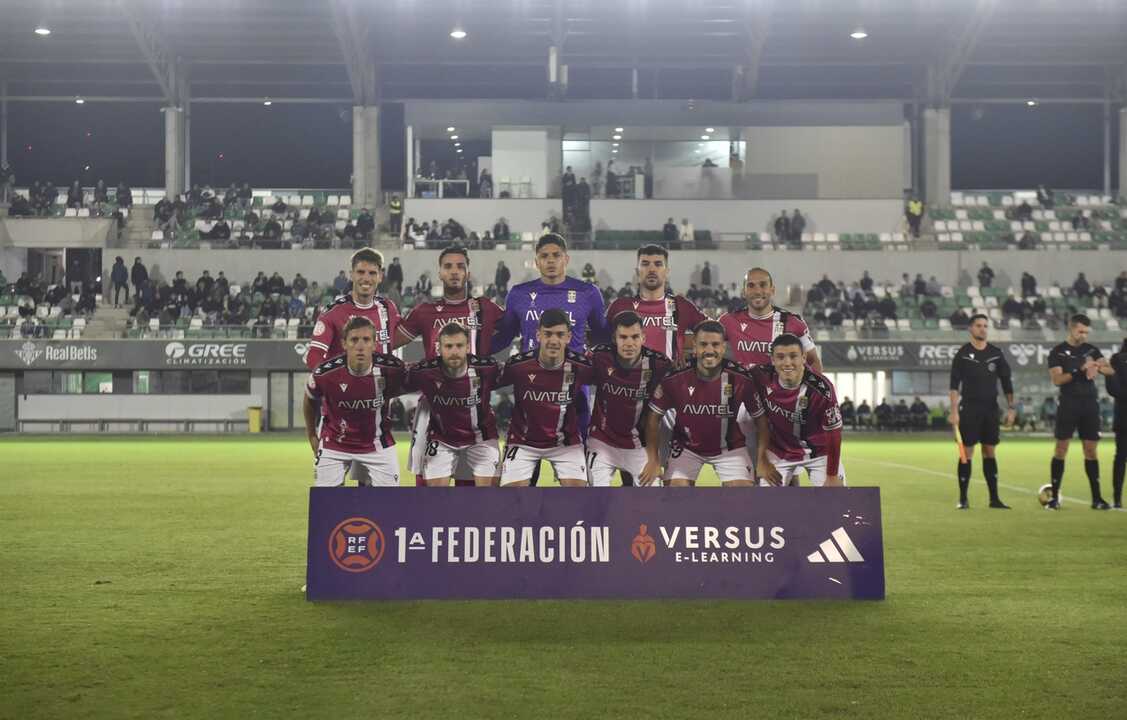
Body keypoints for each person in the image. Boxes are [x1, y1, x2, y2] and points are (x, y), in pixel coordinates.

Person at [393, 247, 505, 486]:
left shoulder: (485, 307)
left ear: (468, 272)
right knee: (427, 486)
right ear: (440, 273)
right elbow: (388, 342)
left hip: (474, 406)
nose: (454, 271)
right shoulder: (425, 311)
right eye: (448, 266)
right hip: (434, 406)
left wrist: (490, 348)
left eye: (460, 266)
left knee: (472, 488)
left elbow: (515, 330)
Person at [643, 321, 767, 487]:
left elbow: (762, 421)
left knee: (742, 496)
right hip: (686, 448)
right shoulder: (674, 378)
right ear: (694, 346)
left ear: (723, 347)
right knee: (675, 493)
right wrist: (653, 460)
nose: (709, 350)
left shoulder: (741, 379)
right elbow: (653, 417)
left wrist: (762, 459)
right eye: (703, 344)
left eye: (715, 344)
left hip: (730, 449)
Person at [302, 316, 407, 487]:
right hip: (335, 444)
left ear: (374, 344)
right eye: (354, 340)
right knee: (327, 503)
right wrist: (312, 436)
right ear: (344, 344)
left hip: (378, 445)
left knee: (388, 505)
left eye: (366, 340)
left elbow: (419, 382)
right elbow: (309, 400)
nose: (360, 346)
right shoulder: (324, 373)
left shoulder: (392, 369)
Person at [495, 309, 595, 487]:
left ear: (569, 337)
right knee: (513, 501)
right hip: (523, 443)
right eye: (548, 334)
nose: (554, 341)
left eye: (560, 334)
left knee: (580, 498)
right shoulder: (518, 365)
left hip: (566, 444)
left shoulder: (581, 366)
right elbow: (485, 381)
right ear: (538, 335)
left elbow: (613, 380)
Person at [404, 323, 502, 487]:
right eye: (448, 346)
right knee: (436, 497)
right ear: (438, 348)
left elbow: (521, 377)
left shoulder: (487, 368)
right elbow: (394, 382)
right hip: (443, 439)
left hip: (482, 437)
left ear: (468, 347)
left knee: (488, 497)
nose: (454, 351)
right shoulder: (424, 372)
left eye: (459, 346)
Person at [585, 311, 673, 487]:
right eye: (623, 337)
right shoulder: (598, 357)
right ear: (614, 339)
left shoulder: (659, 364)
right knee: (598, 498)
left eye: (634, 337)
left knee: (655, 497)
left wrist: (655, 460)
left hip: (637, 446)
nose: (629, 343)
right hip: (601, 442)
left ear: (643, 338)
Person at [752, 334, 845, 487]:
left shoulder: (822, 389)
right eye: (780, 357)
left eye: (793, 356)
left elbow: (834, 433)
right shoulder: (761, 376)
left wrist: (832, 475)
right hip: (779, 451)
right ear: (772, 360)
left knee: (835, 501)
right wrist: (762, 461)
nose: (787, 363)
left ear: (803, 357)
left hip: (819, 453)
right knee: (766, 504)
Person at [492, 234, 608, 355]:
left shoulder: (588, 292)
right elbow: (504, 337)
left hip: (574, 370)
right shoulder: (518, 294)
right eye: (544, 256)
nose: (551, 260)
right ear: (537, 262)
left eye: (556, 255)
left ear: (566, 259)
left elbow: (603, 335)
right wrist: (475, 348)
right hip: (530, 371)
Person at [1046, 314, 1116, 509]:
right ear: (1071, 328)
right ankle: (1054, 499)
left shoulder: (1091, 350)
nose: (1083, 335)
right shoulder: (1057, 352)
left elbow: (1110, 370)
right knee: (1061, 449)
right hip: (1068, 403)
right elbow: (1057, 380)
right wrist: (1080, 370)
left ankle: (1097, 499)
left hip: (1089, 405)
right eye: (1080, 331)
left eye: (1086, 332)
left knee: (1091, 451)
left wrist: (1097, 366)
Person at [605, 245, 706, 365]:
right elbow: (599, 338)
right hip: (629, 381)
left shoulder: (680, 305)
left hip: (670, 380)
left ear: (667, 271)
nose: (652, 269)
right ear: (637, 271)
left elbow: (716, 331)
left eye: (658, 264)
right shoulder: (621, 306)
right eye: (645, 264)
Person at [306, 248, 400, 367]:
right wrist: (332, 381)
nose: (366, 278)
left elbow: (403, 336)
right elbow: (314, 356)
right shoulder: (332, 312)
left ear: (380, 276)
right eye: (360, 272)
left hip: (383, 384)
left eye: (372, 273)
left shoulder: (388, 308)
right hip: (346, 385)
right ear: (351, 275)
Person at [1105, 339, 1127, 507]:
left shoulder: (1116, 359)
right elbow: (1115, 390)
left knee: (1120, 457)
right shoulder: (1118, 359)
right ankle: (1117, 498)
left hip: (1122, 417)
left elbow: (1114, 390)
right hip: (1123, 417)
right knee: (1121, 457)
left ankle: (1117, 499)